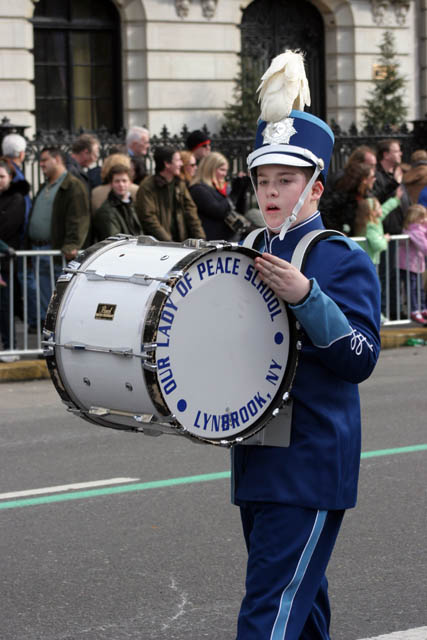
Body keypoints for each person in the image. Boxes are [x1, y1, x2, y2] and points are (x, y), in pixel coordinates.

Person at [231, 50, 381, 640]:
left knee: (269, 611)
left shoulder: (338, 258)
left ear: (315, 189)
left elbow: (360, 358)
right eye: (264, 180)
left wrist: (306, 296)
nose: (271, 192)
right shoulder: (246, 250)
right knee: (301, 602)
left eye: (286, 180)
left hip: (311, 462)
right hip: (257, 458)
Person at [27, 147, 90, 322]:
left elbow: (79, 218)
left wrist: (72, 244)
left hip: (56, 252)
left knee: (60, 301)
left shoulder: (72, 185)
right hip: (39, 250)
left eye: (44, 160)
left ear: (57, 159)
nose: (41, 164)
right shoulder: (45, 186)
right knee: (46, 300)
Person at [135, 146, 205, 242]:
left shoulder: (179, 184)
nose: (181, 164)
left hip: (180, 242)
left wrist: (201, 238)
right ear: (167, 164)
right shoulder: (147, 187)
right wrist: (168, 242)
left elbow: (191, 211)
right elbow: (148, 218)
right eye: (178, 160)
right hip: (158, 245)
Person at [0, 158, 28, 350]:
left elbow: (7, 228)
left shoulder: (16, 199)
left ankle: (10, 345)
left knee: (6, 305)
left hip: (6, 261)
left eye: (2, 176)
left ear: (10, 177)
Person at [189, 152, 236, 241]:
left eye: (226, 170)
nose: (225, 174)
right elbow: (219, 211)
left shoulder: (220, 188)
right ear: (210, 168)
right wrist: (234, 194)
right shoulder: (198, 189)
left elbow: (236, 210)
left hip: (225, 238)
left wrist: (242, 191)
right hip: (209, 241)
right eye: (222, 170)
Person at [93, 164, 143, 241]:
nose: (121, 185)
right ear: (111, 184)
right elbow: (114, 240)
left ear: (130, 183)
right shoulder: (106, 211)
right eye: (117, 181)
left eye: (124, 181)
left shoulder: (132, 204)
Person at [398, 203, 427, 325]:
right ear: (415, 218)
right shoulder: (414, 230)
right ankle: (414, 309)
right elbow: (424, 246)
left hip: (416, 265)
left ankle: (422, 307)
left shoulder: (420, 229)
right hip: (408, 265)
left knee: (419, 287)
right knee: (412, 288)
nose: (424, 220)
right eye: (422, 217)